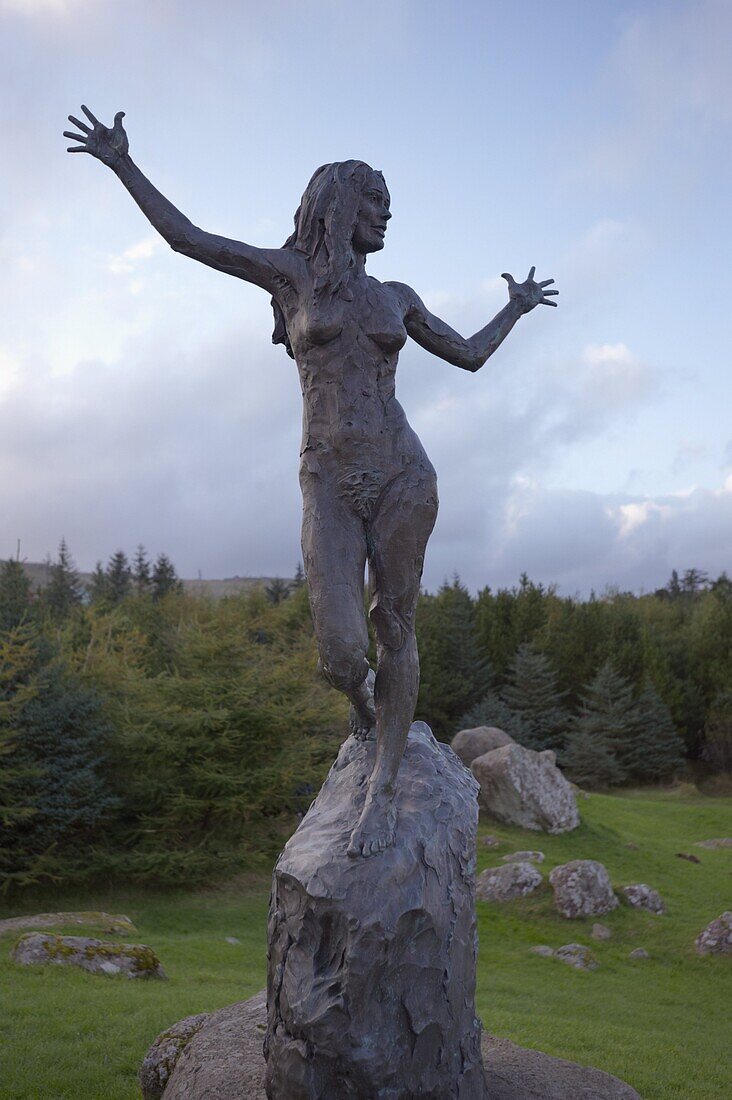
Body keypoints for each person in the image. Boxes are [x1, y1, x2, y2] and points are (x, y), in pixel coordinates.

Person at [64, 106, 558, 857]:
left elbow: (468, 356)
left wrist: (515, 309)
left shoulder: (398, 295)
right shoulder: (292, 275)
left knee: (396, 626)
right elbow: (189, 240)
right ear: (337, 206)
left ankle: (382, 790)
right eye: (374, 200)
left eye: (390, 203)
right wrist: (122, 163)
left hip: (402, 473)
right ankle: (366, 713)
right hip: (327, 475)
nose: (387, 212)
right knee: (339, 652)